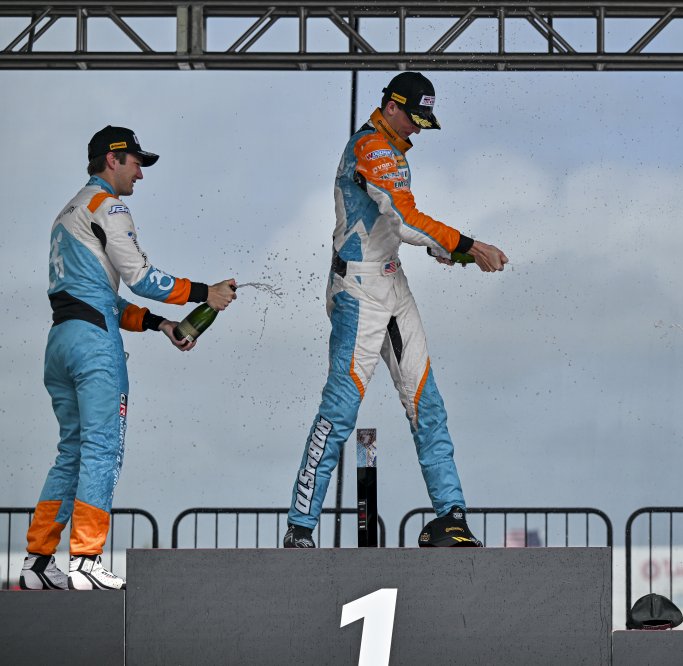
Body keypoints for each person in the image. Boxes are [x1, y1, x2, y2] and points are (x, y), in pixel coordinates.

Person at [283, 72, 508, 548]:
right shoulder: (371, 147)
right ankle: (300, 527)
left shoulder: (393, 149)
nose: (418, 130)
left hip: (392, 280)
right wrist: (470, 244)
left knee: (428, 406)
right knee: (340, 411)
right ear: (390, 107)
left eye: (424, 122)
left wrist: (448, 252)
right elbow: (405, 220)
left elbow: (395, 227)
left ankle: (452, 517)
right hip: (357, 292)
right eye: (414, 119)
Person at [20, 126, 237, 590]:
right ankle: (86, 561)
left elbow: (104, 298)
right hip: (95, 347)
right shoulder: (109, 206)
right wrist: (205, 292)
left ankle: (37, 562)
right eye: (136, 163)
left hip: (61, 341)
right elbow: (141, 277)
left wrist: (160, 325)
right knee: (103, 450)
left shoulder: (67, 212)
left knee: (71, 452)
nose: (140, 174)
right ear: (112, 160)